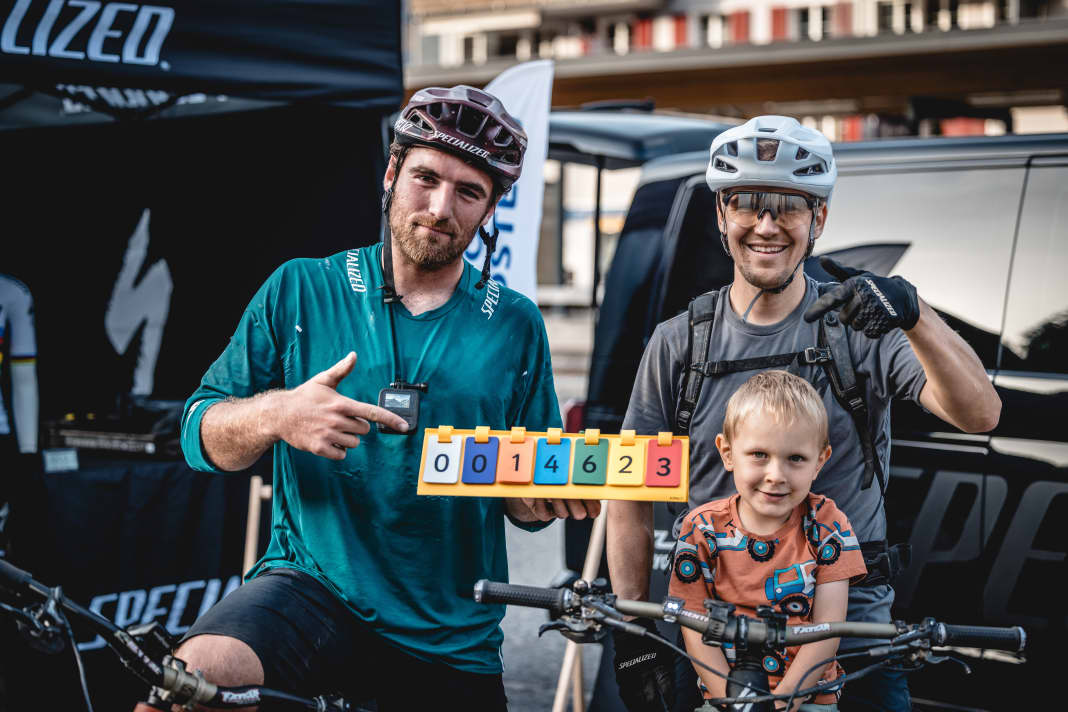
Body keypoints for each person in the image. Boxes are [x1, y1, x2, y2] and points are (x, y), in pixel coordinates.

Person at [170, 85, 599, 711]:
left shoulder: (515, 323)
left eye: (469, 191)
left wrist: (548, 498)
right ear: (393, 172)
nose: (440, 206)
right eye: (425, 178)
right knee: (193, 675)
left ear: (490, 209)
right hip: (312, 590)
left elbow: (522, 496)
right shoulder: (300, 288)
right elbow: (196, 435)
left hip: (450, 631)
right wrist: (278, 412)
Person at [606, 115, 1001, 712]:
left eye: (788, 207)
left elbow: (981, 414)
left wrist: (914, 312)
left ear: (819, 219)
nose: (766, 226)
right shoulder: (678, 342)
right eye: (748, 205)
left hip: (849, 627)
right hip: (712, 634)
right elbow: (629, 492)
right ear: (721, 215)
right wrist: (631, 634)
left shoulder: (858, 326)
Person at [669, 370, 867, 712]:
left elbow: (828, 630)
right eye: (759, 454)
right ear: (728, 453)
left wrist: (783, 700)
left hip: (808, 697)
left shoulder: (828, 526)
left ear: (820, 461)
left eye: (795, 458)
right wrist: (733, 701)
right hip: (724, 695)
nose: (776, 475)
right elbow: (694, 625)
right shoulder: (701, 528)